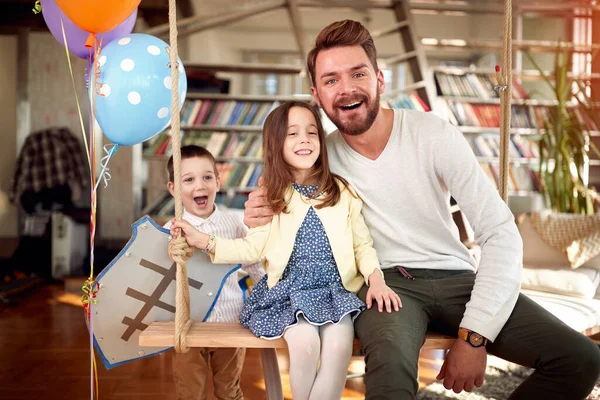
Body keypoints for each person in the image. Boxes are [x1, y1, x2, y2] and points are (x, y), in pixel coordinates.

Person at [242, 19, 600, 400]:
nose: (346, 88)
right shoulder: (318, 157)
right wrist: (257, 212)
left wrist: (474, 337)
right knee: (391, 374)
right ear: (317, 94)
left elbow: (498, 231)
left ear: (380, 79)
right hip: (385, 286)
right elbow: (275, 204)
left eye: (358, 73)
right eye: (331, 80)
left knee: (580, 359)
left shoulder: (433, 134)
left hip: (458, 278)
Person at [169, 101, 401, 400]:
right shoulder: (271, 194)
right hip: (288, 294)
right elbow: (251, 248)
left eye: (311, 132)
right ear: (276, 144)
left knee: (340, 346)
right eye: (292, 133)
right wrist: (205, 241)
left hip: (334, 293)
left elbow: (362, 245)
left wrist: (376, 279)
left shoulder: (341, 191)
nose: (304, 139)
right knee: (304, 345)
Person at [163, 145, 265, 400]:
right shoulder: (170, 230)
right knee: (190, 394)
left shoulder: (234, 224)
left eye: (207, 177)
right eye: (188, 180)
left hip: (230, 323)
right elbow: (159, 277)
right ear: (174, 189)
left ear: (218, 182)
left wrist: (272, 297)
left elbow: (254, 264)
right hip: (188, 325)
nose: (200, 185)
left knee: (229, 390)